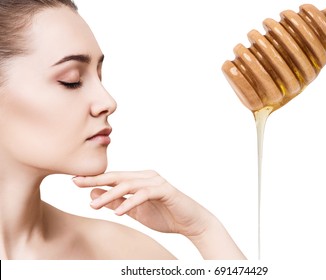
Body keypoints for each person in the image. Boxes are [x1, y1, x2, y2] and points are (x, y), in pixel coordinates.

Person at [0, 0, 246, 260]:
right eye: (71, 81)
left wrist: (204, 230)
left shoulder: (120, 253)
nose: (108, 102)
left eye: (99, 76)